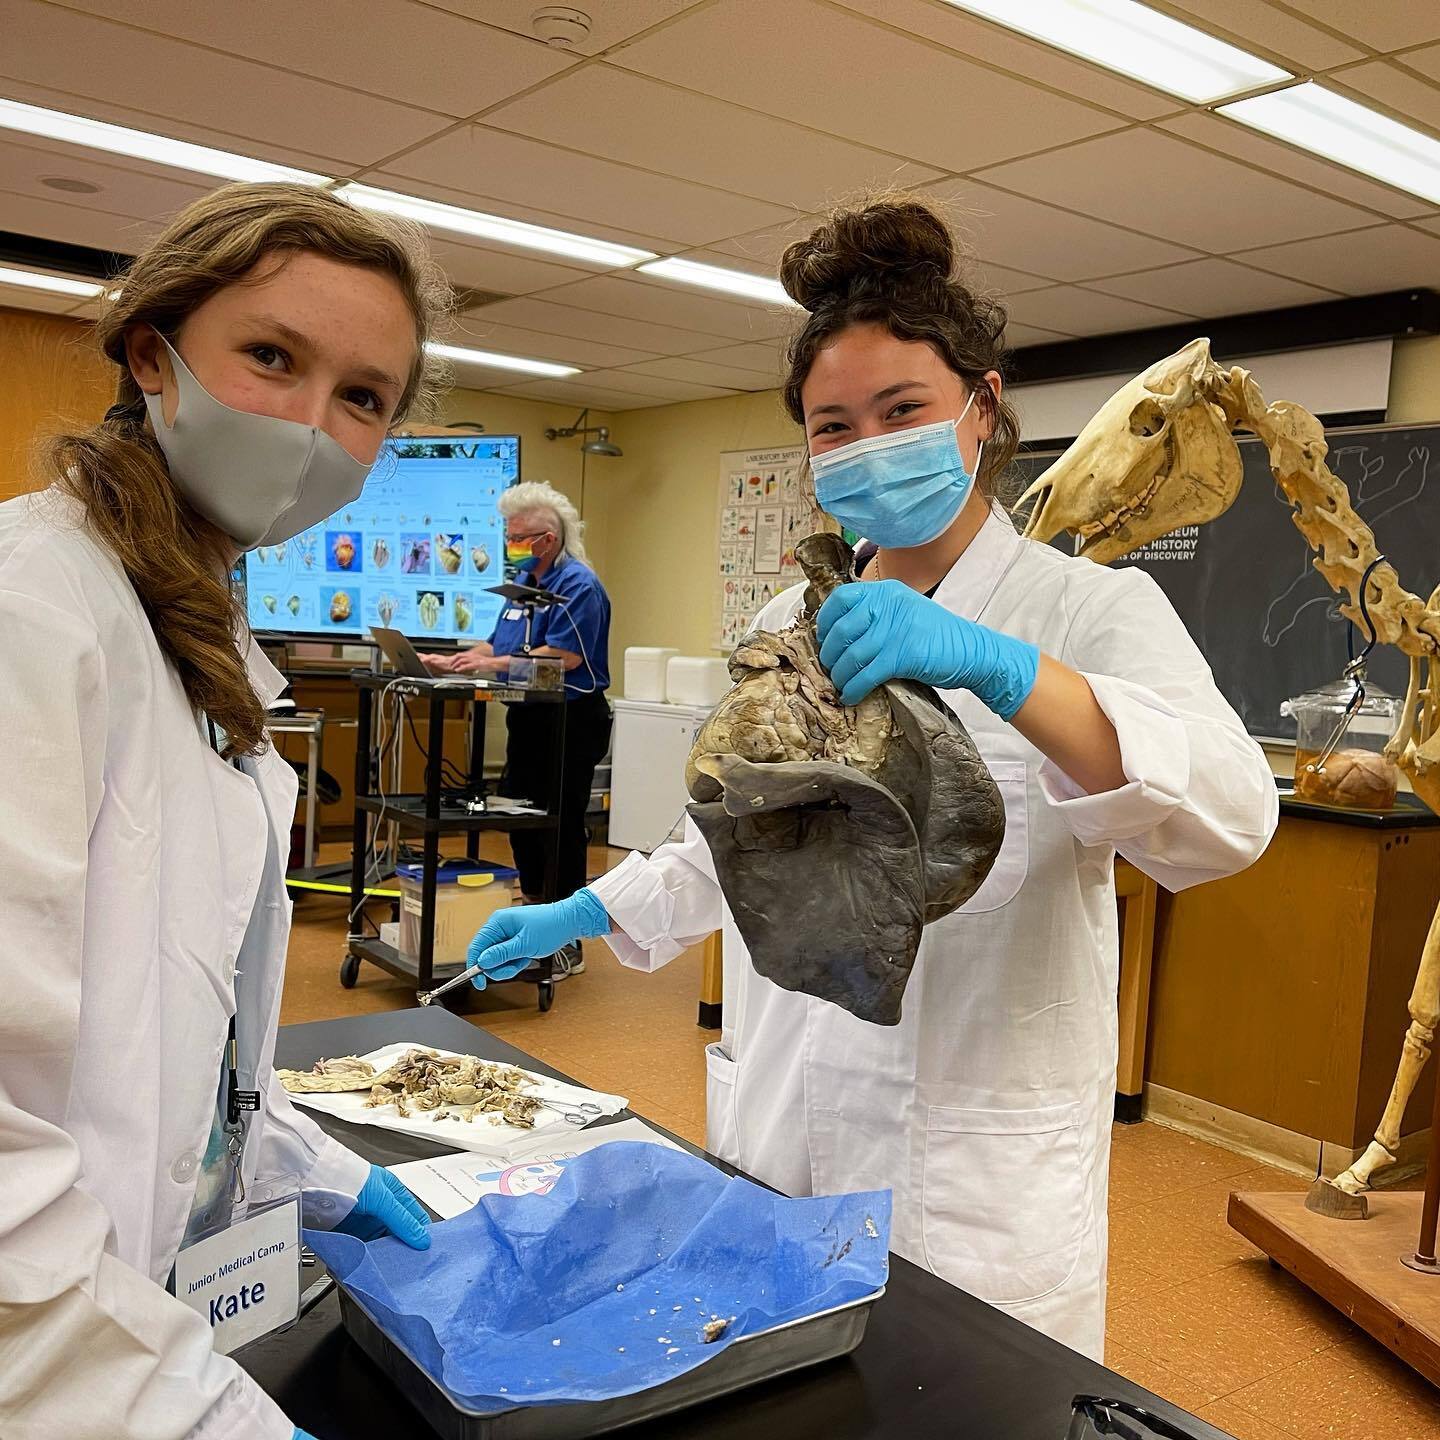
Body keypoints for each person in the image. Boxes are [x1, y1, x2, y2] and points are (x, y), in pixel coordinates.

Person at [458, 197, 1279, 1359]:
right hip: (785, 1123)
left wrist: (997, 667)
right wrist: (591, 908)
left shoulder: (1086, 611)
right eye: (831, 426)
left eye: (902, 412)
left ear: (980, 410)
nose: (863, 446)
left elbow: (1229, 820)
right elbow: (735, 841)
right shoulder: (792, 615)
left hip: (969, 1168)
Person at [0, 182, 451, 1440]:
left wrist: (324, 1178)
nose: (312, 427)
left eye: (361, 398)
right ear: (153, 356)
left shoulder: (199, 634)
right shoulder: (31, 615)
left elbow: (186, 1034)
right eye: (271, 357)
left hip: (116, 1306)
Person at [421, 482, 611, 978]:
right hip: (528, 717)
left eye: (518, 537)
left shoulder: (578, 586)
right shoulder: (521, 591)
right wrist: (456, 660)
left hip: (570, 718)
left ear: (547, 539)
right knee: (521, 818)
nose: (510, 545)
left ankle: (567, 940)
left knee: (560, 827)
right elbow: (497, 646)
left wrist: (498, 661)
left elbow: (563, 656)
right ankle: (531, 917)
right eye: (507, 535)